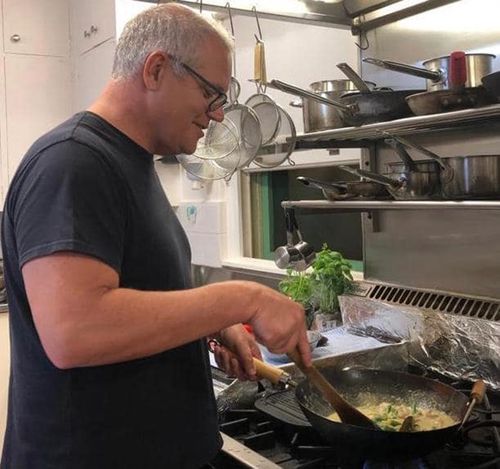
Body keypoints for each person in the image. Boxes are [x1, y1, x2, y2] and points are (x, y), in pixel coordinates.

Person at [0, 4, 311, 469]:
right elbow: (75, 330)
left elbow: (138, 294)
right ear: (157, 68)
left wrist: (210, 323)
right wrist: (241, 299)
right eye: (212, 94)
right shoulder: (74, 162)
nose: (219, 115)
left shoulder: (132, 164)